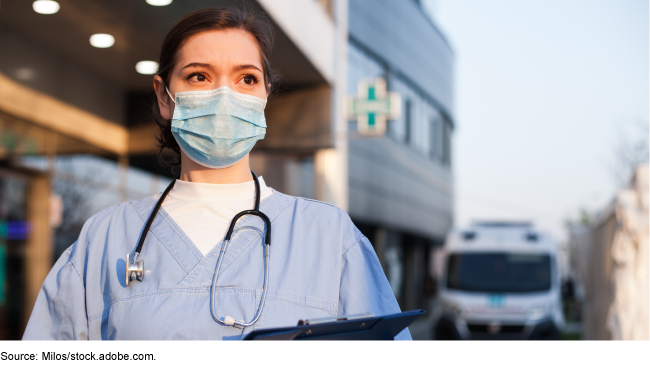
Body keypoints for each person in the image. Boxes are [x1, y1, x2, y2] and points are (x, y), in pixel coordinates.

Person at [22, 6, 410, 340]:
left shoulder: (330, 238)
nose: (226, 96)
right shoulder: (104, 239)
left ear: (264, 97)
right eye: (199, 76)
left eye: (247, 79)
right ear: (164, 96)